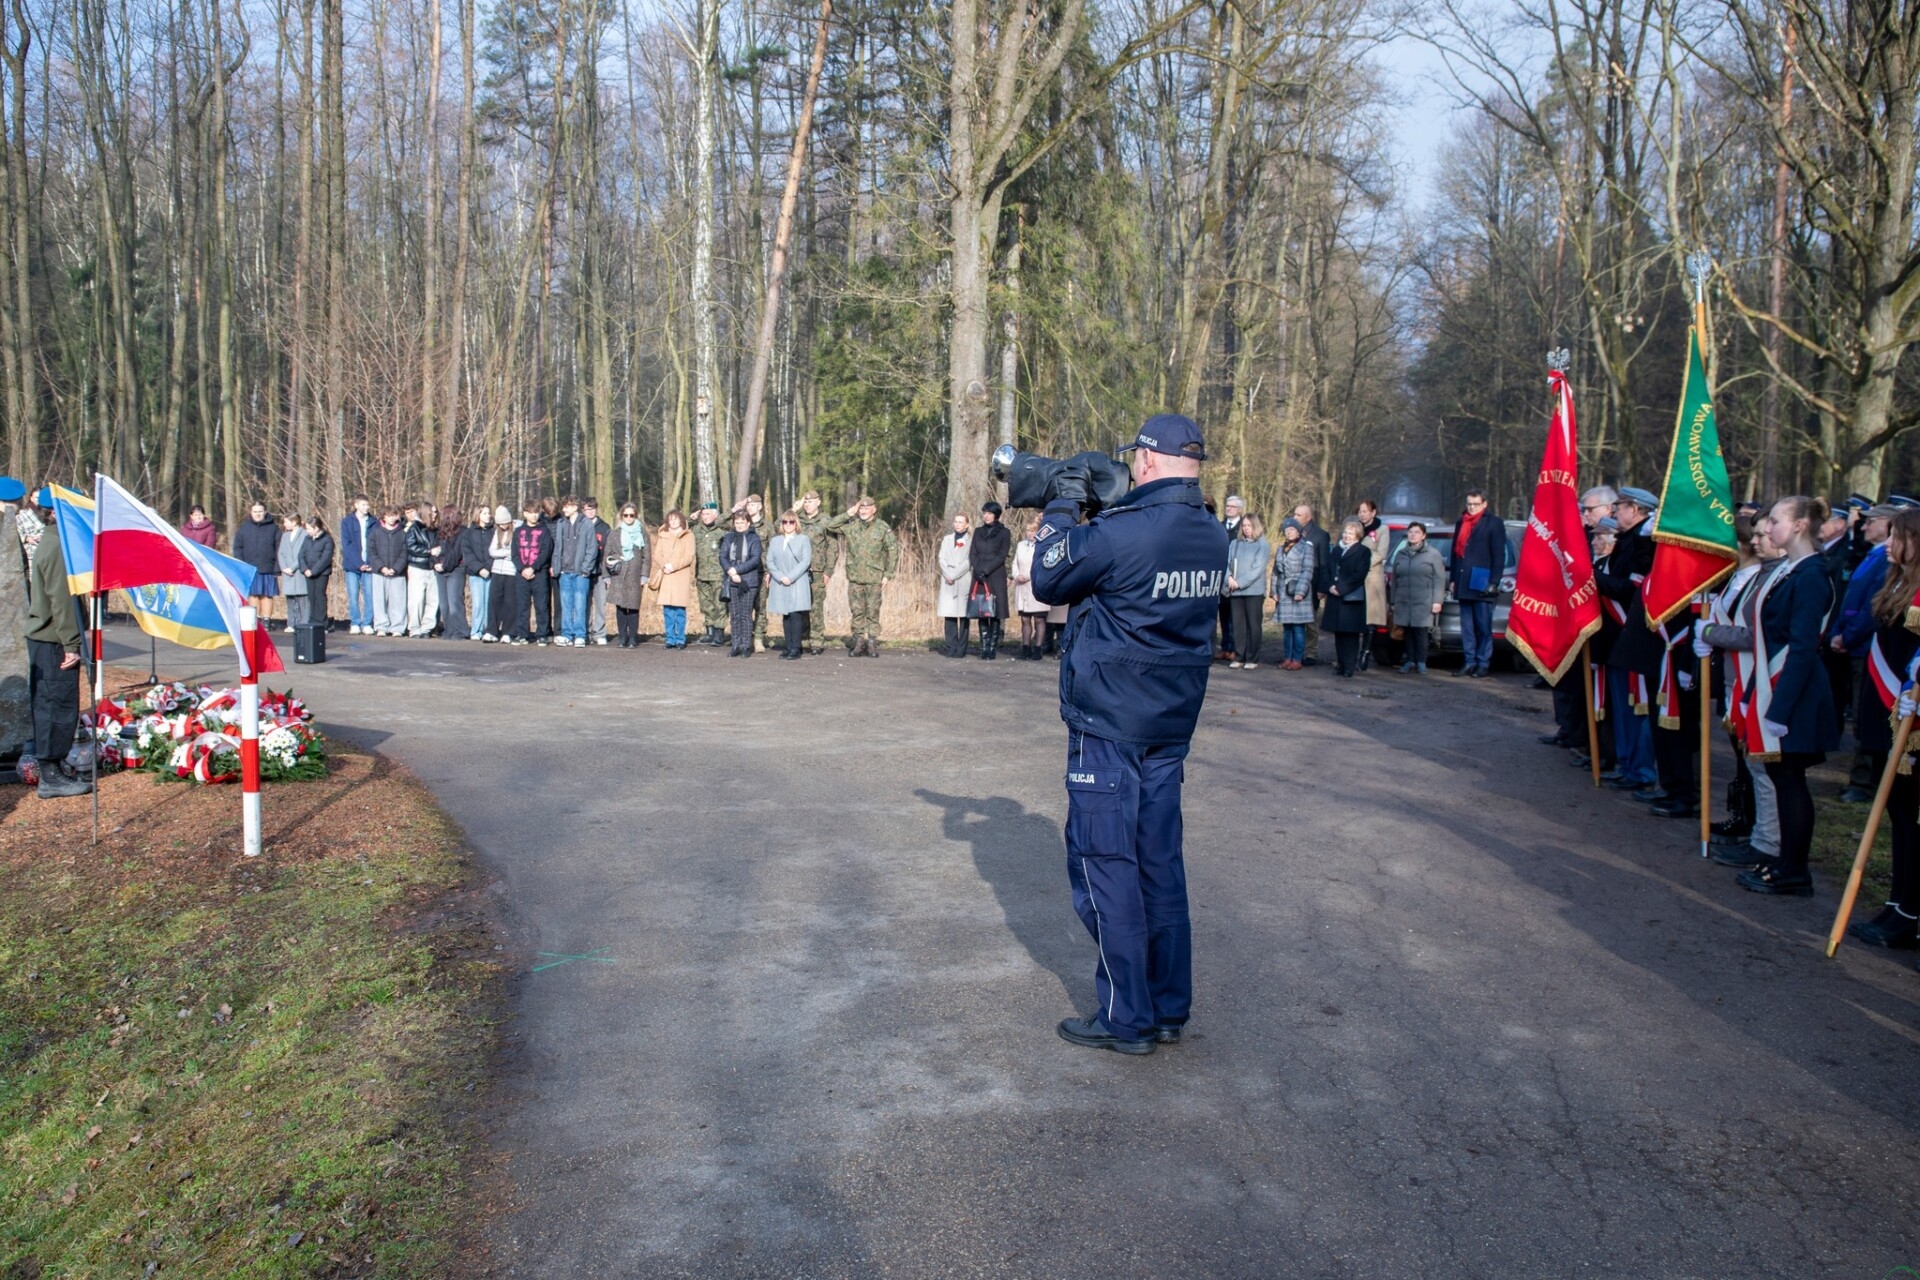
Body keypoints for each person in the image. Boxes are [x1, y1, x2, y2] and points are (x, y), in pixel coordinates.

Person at [1031, 412, 1227, 1056]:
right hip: (1170, 721)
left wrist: (1061, 505)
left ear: (1145, 461)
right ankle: (1168, 1007)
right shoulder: (1211, 534)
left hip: (1110, 722)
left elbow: (1048, 578)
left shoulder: (1121, 534)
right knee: (1159, 863)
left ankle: (1125, 1016)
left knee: (1108, 863)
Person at [1701, 495, 1841, 896]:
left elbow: (1801, 646)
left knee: (1789, 778)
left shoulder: (1811, 573)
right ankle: (1782, 862)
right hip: (1775, 687)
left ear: (1799, 526)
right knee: (1781, 778)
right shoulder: (1790, 571)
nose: (1768, 527)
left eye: (1776, 520)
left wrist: (1779, 707)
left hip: (1792, 692)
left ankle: (1793, 870)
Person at [1845, 507, 1920, 951]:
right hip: (1886, 708)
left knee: (1913, 819)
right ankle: (1896, 902)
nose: (1889, 543)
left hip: (1911, 717)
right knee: (1896, 815)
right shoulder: (1895, 581)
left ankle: (1911, 912)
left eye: (1899, 536)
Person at [1594, 487, 1662, 791]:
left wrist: (1591, 577)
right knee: (1622, 708)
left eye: (1619, 506)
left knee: (1638, 708)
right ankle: (1626, 763)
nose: (1614, 511)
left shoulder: (1641, 545)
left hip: (1633, 635)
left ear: (1636, 509)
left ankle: (1640, 770)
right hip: (1615, 638)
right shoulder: (1626, 542)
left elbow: (1632, 590)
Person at [1830, 502, 1898, 802]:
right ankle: (1861, 776)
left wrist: (1848, 636)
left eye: (1873, 522)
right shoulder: (1873, 556)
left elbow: (1874, 605)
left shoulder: (1886, 560)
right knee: (1861, 711)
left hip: (1865, 646)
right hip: (1853, 643)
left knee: (1866, 712)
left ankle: (1864, 780)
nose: (1865, 526)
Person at [25, 490, 89, 798]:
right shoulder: (58, 547)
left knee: (56, 702)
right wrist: (72, 644)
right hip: (53, 640)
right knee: (56, 705)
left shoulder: (53, 541)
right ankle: (50, 774)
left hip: (51, 638)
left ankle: (55, 765)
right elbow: (62, 601)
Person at [827, 495, 898, 657]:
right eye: (861, 508)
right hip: (855, 578)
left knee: (873, 612)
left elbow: (893, 551)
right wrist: (849, 513)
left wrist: (888, 574)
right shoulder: (852, 526)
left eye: (866, 508)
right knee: (857, 611)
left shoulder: (882, 527)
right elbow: (831, 526)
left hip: (874, 578)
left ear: (874, 509)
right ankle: (859, 642)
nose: (863, 511)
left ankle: (872, 643)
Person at [1448, 488, 1507, 678]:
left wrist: (1494, 582)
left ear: (1484, 504)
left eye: (1475, 504)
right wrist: (1453, 580)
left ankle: (1483, 662)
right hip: (1464, 580)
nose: (1471, 508)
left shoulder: (1494, 523)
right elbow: (1455, 554)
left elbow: (1499, 555)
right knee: (1467, 626)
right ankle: (1469, 661)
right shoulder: (1461, 522)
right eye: (1469, 504)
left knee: (1483, 625)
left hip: (1482, 580)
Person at [1391, 520, 1446, 674]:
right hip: (1404, 600)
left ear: (1423, 536)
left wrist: (1437, 601)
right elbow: (1395, 578)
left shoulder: (1433, 554)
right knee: (1407, 631)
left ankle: (1421, 662)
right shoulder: (1400, 554)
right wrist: (1393, 600)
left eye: (1416, 532)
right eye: (1410, 532)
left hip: (1423, 600)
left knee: (1420, 632)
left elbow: (1439, 578)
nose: (1413, 535)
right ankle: (1409, 660)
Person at [1323, 519, 1370, 678]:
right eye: (1345, 532)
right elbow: (1328, 569)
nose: (1346, 535)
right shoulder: (1336, 550)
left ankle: (1349, 667)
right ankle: (1340, 664)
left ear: (1357, 535)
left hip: (1350, 599)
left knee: (1350, 636)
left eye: (1350, 533)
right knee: (1339, 635)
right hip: (1335, 597)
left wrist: (1341, 589)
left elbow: (1359, 575)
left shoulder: (1363, 551)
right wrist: (1330, 586)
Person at [766, 511, 813, 660]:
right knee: (785, 615)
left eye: (791, 522)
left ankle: (796, 647)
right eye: (785, 522)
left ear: (796, 523)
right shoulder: (775, 541)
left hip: (797, 581)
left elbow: (805, 561)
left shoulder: (803, 539)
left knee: (795, 614)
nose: (788, 525)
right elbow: (770, 561)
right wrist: (780, 577)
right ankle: (788, 645)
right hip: (780, 581)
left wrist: (791, 577)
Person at [796, 490, 839, 654]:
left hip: (817, 570)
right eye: (805, 502)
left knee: (815, 607)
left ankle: (816, 641)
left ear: (818, 502)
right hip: (798, 570)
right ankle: (803, 639)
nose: (807, 504)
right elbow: (780, 524)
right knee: (800, 606)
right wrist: (795, 508)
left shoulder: (826, 521)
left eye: (810, 502)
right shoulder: (797, 519)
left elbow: (833, 547)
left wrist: (829, 571)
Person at [1224, 514, 1269, 669]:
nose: (1246, 528)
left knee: (1253, 625)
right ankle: (1239, 655)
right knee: (1238, 625)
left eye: (1249, 526)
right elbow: (1226, 563)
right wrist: (1229, 578)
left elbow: (1257, 569)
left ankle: (1252, 657)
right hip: (1235, 591)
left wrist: (1239, 582)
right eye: (1244, 526)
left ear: (1255, 526)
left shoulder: (1262, 545)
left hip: (1253, 591)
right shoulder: (1235, 544)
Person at [1272, 518, 1316, 670]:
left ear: (1298, 531)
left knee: (1298, 628)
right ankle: (1287, 658)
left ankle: (1297, 659)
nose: (1288, 532)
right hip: (1283, 592)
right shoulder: (1280, 549)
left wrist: (1300, 592)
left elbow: (1308, 570)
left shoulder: (1306, 548)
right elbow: (1275, 572)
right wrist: (1274, 592)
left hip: (1298, 592)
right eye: (1286, 530)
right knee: (1287, 629)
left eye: (1291, 529)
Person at [604, 503, 650, 648]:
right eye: (626, 515)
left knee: (634, 607)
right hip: (618, 574)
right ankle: (622, 637)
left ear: (636, 516)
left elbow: (647, 556)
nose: (629, 518)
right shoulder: (614, 533)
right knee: (621, 608)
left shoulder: (642, 533)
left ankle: (633, 637)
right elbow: (607, 554)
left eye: (632, 515)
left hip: (635, 576)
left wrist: (645, 575)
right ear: (621, 516)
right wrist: (606, 576)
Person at [553, 496, 596, 647]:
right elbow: (558, 548)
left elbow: (592, 548)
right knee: (566, 605)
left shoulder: (586, 524)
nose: (564, 509)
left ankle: (580, 635)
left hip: (580, 572)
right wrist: (556, 567)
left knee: (580, 604)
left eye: (566, 506)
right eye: (563, 506)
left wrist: (586, 568)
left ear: (574, 507)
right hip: (564, 571)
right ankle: (567, 634)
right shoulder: (560, 524)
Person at [971, 501, 1012, 660]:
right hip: (979, 574)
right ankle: (983, 646)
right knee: (981, 611)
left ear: (996, 514)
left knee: (995, 612)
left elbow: (1002, 555)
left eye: (989, 513)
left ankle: (992, 648)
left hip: (995, 574)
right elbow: (973, 553)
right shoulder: (977, 531)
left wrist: (986, 570)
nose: (986, 516)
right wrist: (978, 569)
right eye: (984, 513)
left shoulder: (1004, 532)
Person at [232, 500, 282, 629]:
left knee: (267, 594)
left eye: (260, 511)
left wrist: (277, 567)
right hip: (250, 568)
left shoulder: (274, 528)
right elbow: (237, 547)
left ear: (265, 512)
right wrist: (241, 565)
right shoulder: (244, 528)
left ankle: (266, 620)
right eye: (255, 512)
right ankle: (256, 619)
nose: (258, 514)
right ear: (251, 512)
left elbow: (279, 549)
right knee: (253, 594)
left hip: (268, 567)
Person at [651, 510, 696, 649]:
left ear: (681, 520)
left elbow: (689, 556)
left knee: (680, 611)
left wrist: (673, 566)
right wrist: (665, 565)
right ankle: (670, 638)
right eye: (671, 520)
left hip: (680, 575)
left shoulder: (688, 536)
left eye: (676, 519)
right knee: (668, 610)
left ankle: (680, 638)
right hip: (666, 575)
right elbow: (657, 554)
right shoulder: (663, 535)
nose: (673, 522)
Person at [720, 511, 763, 658]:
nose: (739, 525)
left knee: (745, 615)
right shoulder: (728, 537)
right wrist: (731, 572)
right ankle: (735, 644)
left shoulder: (754, 538)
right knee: (734, 614)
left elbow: (755, 559)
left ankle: (746, 645)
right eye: (736, 523)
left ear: (748, 523)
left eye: (742, 522)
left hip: (748, 581)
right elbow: (723, 556)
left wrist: (737, 570)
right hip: (731, 579)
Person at [1293, 502, 1332, 664]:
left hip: (1313, 584)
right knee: (1295, 622)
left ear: (1308, 518)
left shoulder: (1320, 535)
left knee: (1310, 622)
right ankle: (1296, 653)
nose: (1294, 517)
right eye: (1294, 514)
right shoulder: (1293, 533)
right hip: (1295, 584)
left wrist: (1322, 588)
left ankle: (1311, 653)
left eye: (1298, 515)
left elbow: (1324, 563)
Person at [512, 501, 554, 645]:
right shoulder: (518, 531)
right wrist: (522, 569)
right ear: (525, 514)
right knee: (522, 605)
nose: (534, 515)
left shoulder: (544, 531)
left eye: (536, 512)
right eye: (531, 512)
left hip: (539, 573)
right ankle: (522, 634)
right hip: (521, 574)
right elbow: (514, 554)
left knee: (541, 605)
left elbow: (545, 552)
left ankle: (542, 634)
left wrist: (533, 568)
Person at [1357, 499, 1389, 671]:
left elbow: (1381, 553)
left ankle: (1365, 654)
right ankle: (1352, 653)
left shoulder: (1382, 530)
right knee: (1355, 617)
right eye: (1360, 511)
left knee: (1371, 620)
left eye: (1365, 511)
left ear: (1373, 512)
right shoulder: (1354, 528)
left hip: (1371, 577)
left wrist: (1361, 564)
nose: (1362, 514)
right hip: (1355, 578)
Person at [366, 506, 409, 636]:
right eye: (388, 515)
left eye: (393, 515)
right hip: (379, 572)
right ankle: (381, 626)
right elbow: (372, 552)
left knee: (398, 601)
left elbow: (405, 553)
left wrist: (396, 568)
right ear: (383, 517)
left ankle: (397, 627)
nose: (391, 518)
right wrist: (381, 567)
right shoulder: (376, 532)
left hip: (398, 573)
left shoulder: (402, 533)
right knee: (379, 601)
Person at [1012, 515, 1049, 660]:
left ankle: (1038, 647)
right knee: (1025, 619)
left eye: (1033, 531)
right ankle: (1025, 646)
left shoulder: (1043, 545)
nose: (1031, 533)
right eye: (1028, 531)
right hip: (1022, 586)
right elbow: (1015, 563)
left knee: (1039, 619)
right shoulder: (1021, 545)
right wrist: (1017, 575)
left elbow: (1044, 564)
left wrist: (1029, 576)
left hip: (1036, 584)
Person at [937, 512, 973, 658]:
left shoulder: (971, 540)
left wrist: (954, 574)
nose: (957, 524)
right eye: (956, 521)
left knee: (963, 616)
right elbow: (941, 558)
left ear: (967, 524)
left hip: (962, 579)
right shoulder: (947, 539)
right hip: (947, 580)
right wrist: (947, 574)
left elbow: (968, 561)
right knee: (949, 615)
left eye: (960, 522)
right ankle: (951, 646)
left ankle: (961, 648)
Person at [692, 504, 728, 646]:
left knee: (720, 605)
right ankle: (709, 632)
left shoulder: (722, 531)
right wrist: (692, 518)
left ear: (715, 515)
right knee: (705, 605)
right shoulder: (697, 530)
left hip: (718, 574)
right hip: (701, 574)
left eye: (708, 514)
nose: (705, 517)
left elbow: (730, 523)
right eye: (703, 514)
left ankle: (719, 634)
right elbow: (682, 527)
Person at [403, 501, 440, 638]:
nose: (435, 515)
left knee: (432, 600)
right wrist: (429, 551)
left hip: (432, 568)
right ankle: (414, 628)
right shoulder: (414, 528)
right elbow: (411, 547)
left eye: (436, 512)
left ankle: (427, 627)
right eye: (433, 512)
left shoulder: (436, 529)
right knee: (417, 600)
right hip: (417, 567)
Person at [340, 494, 375, 635]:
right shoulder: (347, 522)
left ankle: (367, 622)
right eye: (363, 505)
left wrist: (370, 562)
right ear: (356, 506)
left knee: (369, 594)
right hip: (352, 565)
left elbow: (375, 544)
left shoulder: (374, 522)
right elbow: (347, 545)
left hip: (370, 564)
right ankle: (355, 622)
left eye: (367, 505)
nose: (366, 507)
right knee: (353, 594)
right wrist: (359, 563)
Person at [433, 505, 469, 641]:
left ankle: (461, 630)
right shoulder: (440, 532)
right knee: (444, 603)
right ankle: (449, 629)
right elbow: (435, 548)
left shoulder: (463, 532)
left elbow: (456, 552)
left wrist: (444, 565)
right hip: (440, 569)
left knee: (455, 600)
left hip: (456, 569)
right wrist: (435, 562)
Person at [1216, 495, 1245, 661]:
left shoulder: (1244, 528)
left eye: (1232, 507)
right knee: (1224, 615)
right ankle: (1225, 647)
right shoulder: (1220, 526)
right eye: (1227, 506)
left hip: (1237, 577)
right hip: (1221, 576)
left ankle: (1235, 647)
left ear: (1239, 509)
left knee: (1235, 617)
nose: (1228, 509)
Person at [484, 506, 519, 643]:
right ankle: (491, 630)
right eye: (500, 524)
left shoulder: (517, 530)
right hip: (497, 570)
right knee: (494, 601)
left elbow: (514, 552)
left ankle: (508, 631)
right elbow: (492, 551)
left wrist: (504, 553)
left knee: (510, 602)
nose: (503, 526)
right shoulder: (497, 532)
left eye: (505, 523)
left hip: (511, 572)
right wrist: (505, 553)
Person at [463, 506, 496, 641]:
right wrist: (479, 568)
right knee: (478, 603)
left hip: (490, 572)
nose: (488, 516)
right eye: (485, 513)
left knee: (489, 602)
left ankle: (488, 629)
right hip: (475, 573)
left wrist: (488, 567)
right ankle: (476, 630)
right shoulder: (469, 533)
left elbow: (495, 551)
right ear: (478, 515)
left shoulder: (493, 532)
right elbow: (467, 553)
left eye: (489, 513)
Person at [298, 514, 334, 628]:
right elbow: (301, 555)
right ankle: (312, 619)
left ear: (316, 528)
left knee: (319, 596)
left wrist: (313, 571)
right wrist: (305, 569)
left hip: (321, 573)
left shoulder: (327, 539)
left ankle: (321, 621)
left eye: (309, 529)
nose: (307, 531)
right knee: (311, 596)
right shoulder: (307, 539)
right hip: (308, 572)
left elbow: (325, 558)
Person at [276, 514, 311, 626]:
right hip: (287, 571)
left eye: (286, 522)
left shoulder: (304, 534)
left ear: (294, 522)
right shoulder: (285, 535)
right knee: (291, 599)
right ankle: (292, 623)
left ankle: (303, 623)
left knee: (302, 599)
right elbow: (281, 553)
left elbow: (303, 553)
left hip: (299, 571)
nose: (284, 524)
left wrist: (292, 567)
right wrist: (284, 568)